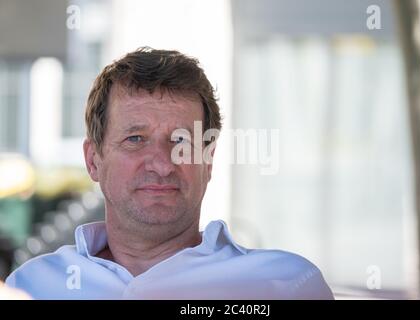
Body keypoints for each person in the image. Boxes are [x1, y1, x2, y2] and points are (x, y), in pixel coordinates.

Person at [6, 47, 333, 299]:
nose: (162, 163)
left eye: (182, 141)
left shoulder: (287, 285)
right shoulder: (30, 286)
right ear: (93, 160)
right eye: (135, 139)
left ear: (208, 160)